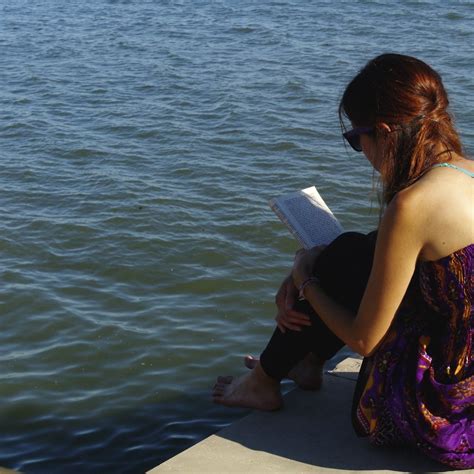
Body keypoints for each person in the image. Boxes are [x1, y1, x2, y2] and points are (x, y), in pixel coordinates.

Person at [212, 53, 473, 469]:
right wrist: (319, 260)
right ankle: (306, 363)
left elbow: (364, 340)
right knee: (350, 249)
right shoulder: (466, 172)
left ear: (385, 132)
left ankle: (268, 380)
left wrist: (306, 278)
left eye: (357, 139)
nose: (361, 151)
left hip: (446, 411)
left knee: (337, 264)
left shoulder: (413, 205)